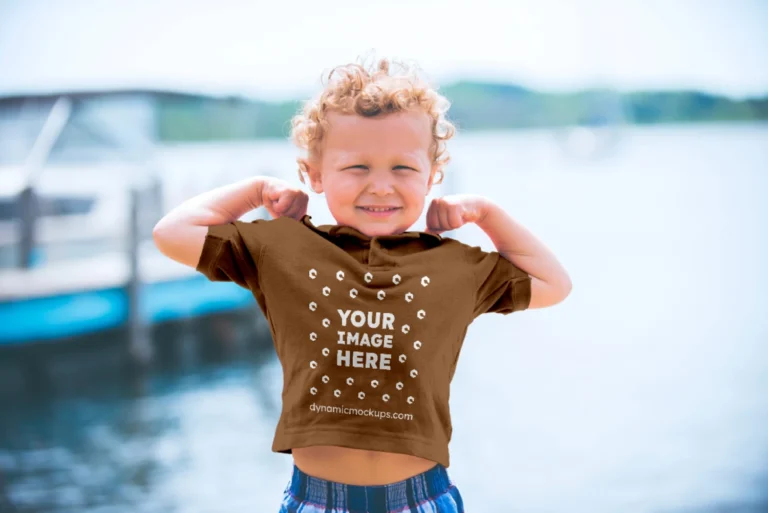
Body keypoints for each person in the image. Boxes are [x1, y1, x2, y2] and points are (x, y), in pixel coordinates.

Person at [153, 56, 572, 513]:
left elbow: (554, 283)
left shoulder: (455, 265)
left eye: (402, 169)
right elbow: (171, 233)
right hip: (317, 500)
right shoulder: (282, 250)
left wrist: (486, 214)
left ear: (432, 176)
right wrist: (254, 191)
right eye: (356, 168)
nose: (380, 186)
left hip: (421, 497)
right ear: (314, 174)